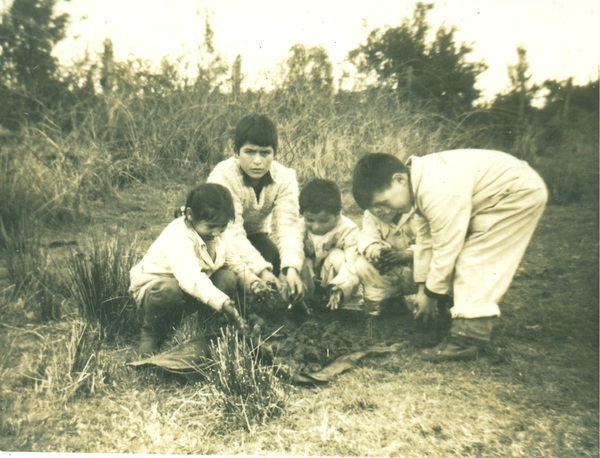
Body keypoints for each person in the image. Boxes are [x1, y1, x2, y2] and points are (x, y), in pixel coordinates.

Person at [352, 150, 547, 362]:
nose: (382, 212)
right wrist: (422, 287)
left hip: (515, 193)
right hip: (502, 192)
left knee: (474, 258)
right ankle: (452, 319)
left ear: (399, 180)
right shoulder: (419, 186)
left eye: (383, 203)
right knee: (462, 256)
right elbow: (427, 241)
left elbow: (446, 246)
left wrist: (430, 295)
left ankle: (468, 339)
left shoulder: (437, 189)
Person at [129, 183, 269, 356]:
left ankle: (206, 328)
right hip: (157, 291)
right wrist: (223, 302)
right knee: (169, 289)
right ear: (189, 215)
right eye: (210, 227)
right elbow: (191, 277)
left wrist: (253, 282)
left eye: (222, 226)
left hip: (193, 290)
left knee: (227, 278)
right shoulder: (178, 235)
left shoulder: (218, 233)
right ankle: (152, 333)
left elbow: (234, 262)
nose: (216, 232)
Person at [207, 114, 305, 302]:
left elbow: (289, 226)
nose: (257, 161)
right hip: (219, 236)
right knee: (233, 276)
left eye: (265, 152)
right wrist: (261, 269)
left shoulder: (285, 178)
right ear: (236, 151)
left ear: (274, 153)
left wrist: (291, 268)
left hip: (255, 233)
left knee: (275, 260)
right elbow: (231, 231)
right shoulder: (222, 176)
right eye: (250, 152)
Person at [354, 203, 432, 317]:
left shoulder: (417, 211)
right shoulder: (370, 215)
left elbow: (430, 243)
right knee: (362, 263)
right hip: (391, 269)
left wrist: (406, 255)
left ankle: (438, 301)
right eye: (371, 205)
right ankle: (387, 301)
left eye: (381, 203)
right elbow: (368, 238)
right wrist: (378, 252)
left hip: (421, 272)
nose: (377, 210)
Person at [299, 178, 361, 311]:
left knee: (337, 255)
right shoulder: (299, 228)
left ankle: (336, 298)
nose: (316, 227)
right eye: (310, 220)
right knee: (300, 259)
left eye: (324, 221)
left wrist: (341, 287)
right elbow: (289, 253)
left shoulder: (348, 230)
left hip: (334, 278)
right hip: (309, 278)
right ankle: (306, 299)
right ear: (302, 213)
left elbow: (352, 264)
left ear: (338, 214)